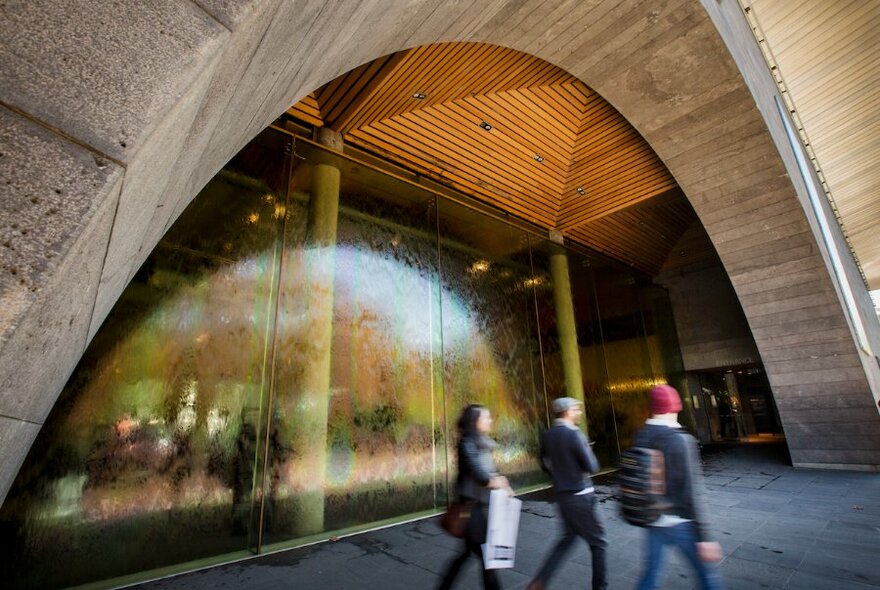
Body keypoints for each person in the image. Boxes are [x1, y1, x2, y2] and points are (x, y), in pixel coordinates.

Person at [633, 384, 724, 590]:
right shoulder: (681, 440)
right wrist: (705, 538)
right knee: (708, 577)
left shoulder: (641, 436)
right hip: (680, 522)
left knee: (650, 575)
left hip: (652, 518)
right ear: (674, 407)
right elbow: (691, 493)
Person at [527, 397, 607, 590]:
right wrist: (588, 450)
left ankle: (540, 581)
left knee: (566, 540)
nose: (578, 412)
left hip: (562, 497)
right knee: (599, 543)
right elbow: (592, 466)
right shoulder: (574, 434)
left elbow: (544, 463)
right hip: (582, 496)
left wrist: (560, 475)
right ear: (567, 412)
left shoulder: (548, 435)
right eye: (576, 409)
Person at [437, 404, 510, 590]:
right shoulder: (466, 443)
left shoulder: (482, 443)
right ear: (475, 421)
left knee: (468, 553)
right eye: (485, 417)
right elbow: (479, 474)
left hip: (478, 507)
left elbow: (489, 472)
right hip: (469, 509)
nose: (490, 420)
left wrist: (501, 481)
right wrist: (496, 482)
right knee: (487, 557)